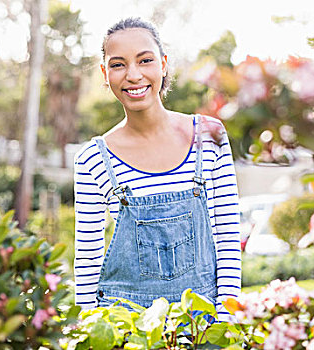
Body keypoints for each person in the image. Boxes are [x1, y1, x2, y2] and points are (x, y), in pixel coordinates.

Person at [73, 17, 241, 322]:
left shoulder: (209, 135)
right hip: (126, 328)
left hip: (203, 325)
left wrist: (225, 321)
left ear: (163, 64)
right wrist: (88, 330)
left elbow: (228, 236)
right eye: (118, 64)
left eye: (145, 60)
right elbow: (88, 259)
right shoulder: (92, 159)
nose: (133, 75)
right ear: (104, 73)